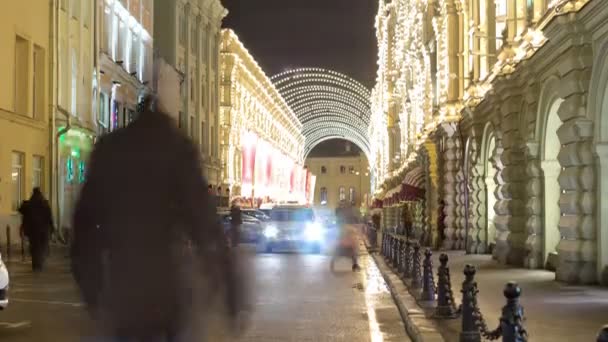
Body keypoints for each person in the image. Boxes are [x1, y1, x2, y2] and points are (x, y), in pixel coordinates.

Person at [71, 103, 245, 341]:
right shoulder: (178, 149)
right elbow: (204, 223)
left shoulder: (110, 149)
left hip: (124, 287)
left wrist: (92, 288)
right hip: (167, 288)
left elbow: (84, 224)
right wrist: (228, 286)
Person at [18, 188, 54, 272]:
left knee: (34, 247)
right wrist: (52, 228)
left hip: (32, 231)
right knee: (42, 247)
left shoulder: (29, 204)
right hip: (43, 230)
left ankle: (35, 265)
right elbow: (49, 217)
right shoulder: (45, 203)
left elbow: (21, 210)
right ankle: (40, 263)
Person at [330, 202, 361, 272]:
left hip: (344, 230)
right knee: (353, 247)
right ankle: (355, 264)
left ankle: (354, 264)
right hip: (345, 230)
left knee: (352, 247)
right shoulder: (345, 212)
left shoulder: (340, 211)